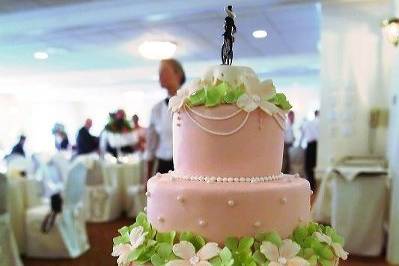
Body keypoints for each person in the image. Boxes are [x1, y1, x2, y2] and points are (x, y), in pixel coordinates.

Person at [145, 59, 186, 177]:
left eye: (163, 72)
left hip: (186, 166)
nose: (159, 76)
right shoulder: (156, 109)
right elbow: (150, 145)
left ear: (178, 74)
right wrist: (147, 178)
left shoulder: (192, 105)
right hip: (163, 166)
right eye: (159, 73)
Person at [301, 110, 320, 191]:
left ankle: (311, 185)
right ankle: (316, 185)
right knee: (316, 165)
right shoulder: (320, 122)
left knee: (309, 166)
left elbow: (302, 131)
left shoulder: (309, 122)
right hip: (318, 145)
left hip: (310, 145)